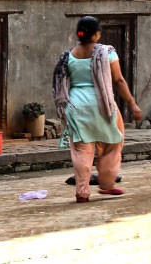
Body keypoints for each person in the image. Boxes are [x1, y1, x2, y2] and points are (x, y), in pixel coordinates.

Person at [52, 15, 142, 203]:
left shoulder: (68, 56)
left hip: (76, 106)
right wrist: (132, 103)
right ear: (97, 34)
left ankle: (82, 192)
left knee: (80, 150)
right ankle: (107, 185)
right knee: (113, 143)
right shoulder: (107, 52)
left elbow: (62, 82)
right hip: (102, 105)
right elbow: (118, 80)